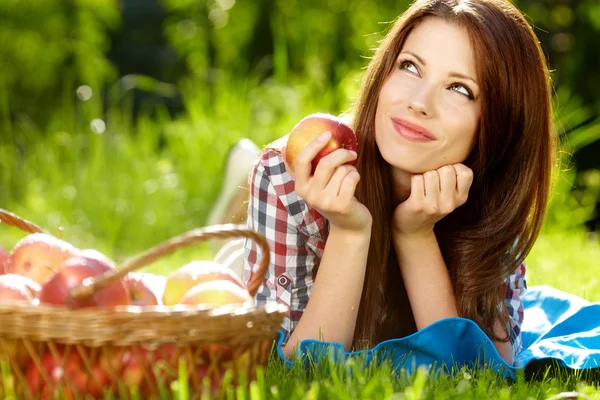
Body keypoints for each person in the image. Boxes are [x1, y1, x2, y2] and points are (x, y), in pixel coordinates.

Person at [243, 0, 555, 366]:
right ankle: (233, 189)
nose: (419, 103)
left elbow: (477, 373)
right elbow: (297, 368)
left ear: (501, 124)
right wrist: (349, 232)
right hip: (277, 250)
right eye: (410, 67)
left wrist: (415, 235)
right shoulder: (290, 176)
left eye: (460, 89)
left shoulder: (496, 202)